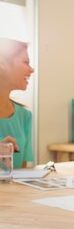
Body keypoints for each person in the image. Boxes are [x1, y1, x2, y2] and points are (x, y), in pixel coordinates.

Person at [0, 38, 34, 169]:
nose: (32, 70)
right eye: (26, 62)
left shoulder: (24, 116)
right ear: (2, 63)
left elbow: (21, 173)